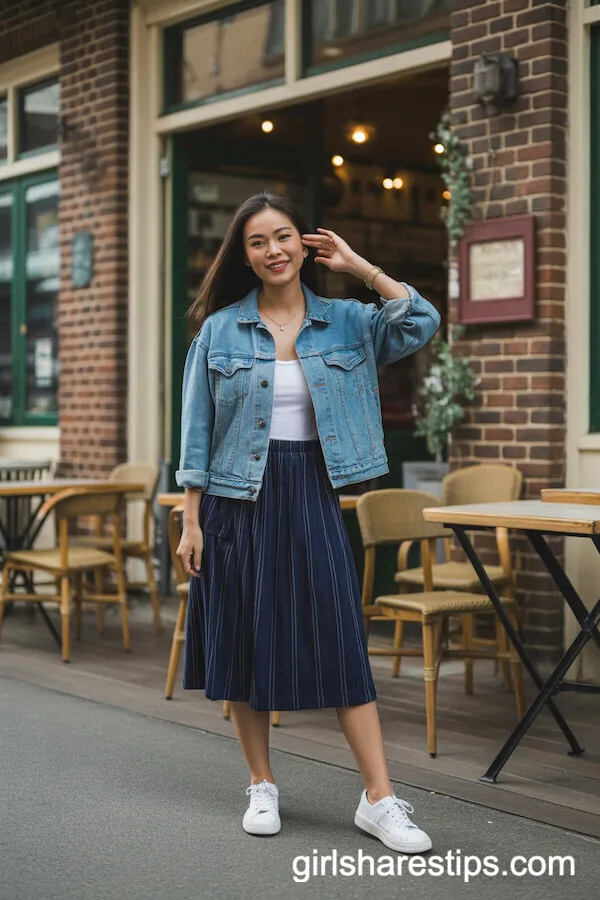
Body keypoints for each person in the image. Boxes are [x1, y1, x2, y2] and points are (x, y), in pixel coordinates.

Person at [175, 191, 440, 854]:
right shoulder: (220, 331)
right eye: (258, 241)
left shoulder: (348, 321)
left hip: (314, 492)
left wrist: (360, 267)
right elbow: (197, 433)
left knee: (342, 640)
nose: (274, 251)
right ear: (245, 254)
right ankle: (261, 782)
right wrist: (191, 519)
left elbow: (420, 322)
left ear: (306, 242)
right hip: (237, 500)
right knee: (245, 642)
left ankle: (379, 798)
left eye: (284, 236)